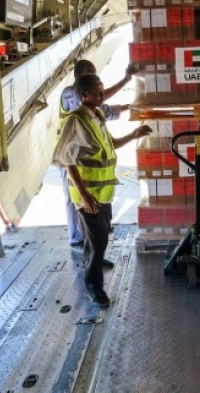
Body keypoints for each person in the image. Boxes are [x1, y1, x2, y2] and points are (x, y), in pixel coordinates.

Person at [53, 74, 152, 307]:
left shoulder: (96, 116)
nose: (102, 95)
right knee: (99, 240)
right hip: (87, 193)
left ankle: (91, 261)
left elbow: (111, 145)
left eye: (102, 90)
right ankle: (93, 285)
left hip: (103, 191)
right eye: (97, 92)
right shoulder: (76, 121)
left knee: (98, 235)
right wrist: (85, 196)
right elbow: (68, 162)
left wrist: (134, 135)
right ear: (83, 95)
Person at [59, 60, 135, 250]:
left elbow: (104, 108)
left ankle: (88, 245)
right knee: (75, 199)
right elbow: (98, 101)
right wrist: (125, 80)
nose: (100, 95)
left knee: (95, 223)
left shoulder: (95, 113)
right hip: (69, 153)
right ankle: (76, 237)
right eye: (89, 77)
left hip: (84, 158)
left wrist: (130, 106)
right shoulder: (70, 95)